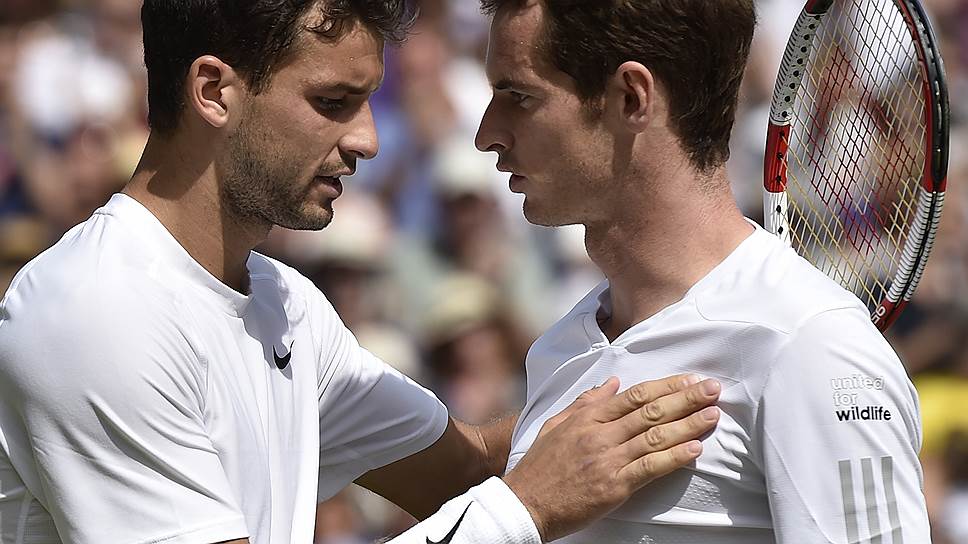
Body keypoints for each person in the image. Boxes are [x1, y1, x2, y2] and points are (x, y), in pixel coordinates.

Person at [0, 1, 724, 543]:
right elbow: (513, 492)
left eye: (370, 100)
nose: (368, 139)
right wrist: (524, 510)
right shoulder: (95, 314)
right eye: (333, 103)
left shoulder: (285, 304)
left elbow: (467, 465)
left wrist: (665, 355)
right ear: (214, 91)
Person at [473, 1, 931, 543]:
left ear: (631, 98)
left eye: (518, 96)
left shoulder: (811, 345)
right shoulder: (560, 346)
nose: (487, 134)